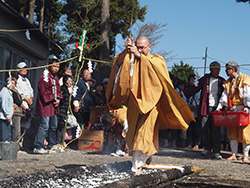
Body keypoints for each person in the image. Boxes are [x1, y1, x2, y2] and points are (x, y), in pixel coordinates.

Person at [106, 36, 194, 175]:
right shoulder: (132, 58)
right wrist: (127, 50)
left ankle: (136, 167)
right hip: (135, 103)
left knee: (144, 134)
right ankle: (145, 156)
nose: (139, 50)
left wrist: (138, 55)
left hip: (152, 103)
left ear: (150, 47)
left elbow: (157, 71)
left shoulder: (157, 60)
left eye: (142, 47)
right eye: (137, 46)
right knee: (133, 134)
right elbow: (118, 63)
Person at [184, 61, 225, 159]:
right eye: (215, 69)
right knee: (204, 128)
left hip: (217, 108)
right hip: (205, 107)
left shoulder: (222, 81)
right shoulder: (204, 79)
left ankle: (216, 150)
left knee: (216, 130)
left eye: (219, 69)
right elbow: (195, 87)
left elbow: (227, 93)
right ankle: (207, 147)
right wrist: (183, 93)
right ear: (210, 69)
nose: (217, 71)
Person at [216, 61, 250, 162]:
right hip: (232, 110)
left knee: (245, 133)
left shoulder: (245, 79)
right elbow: (224, 96)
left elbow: (248, 94)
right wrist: (219, 107)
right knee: (232, 133)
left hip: (244, 109)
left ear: (233, 69)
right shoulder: (228, 82)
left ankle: (245, 156)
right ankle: (234, 154)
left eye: (227, 69)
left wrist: (248, 106)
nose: (226, 71)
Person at [33, 56, 63, 154]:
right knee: (44, 125)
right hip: (45, 106)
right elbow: (43, 92)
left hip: (54, 106)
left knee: (53, 126)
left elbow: (59, 90)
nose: (56, 68)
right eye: (54, 66)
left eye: (58, 67)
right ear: (50, 66)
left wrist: (58, 98)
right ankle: (38, 145)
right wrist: (53, 98)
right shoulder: (44, 78)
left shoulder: (56, 78)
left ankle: (51, 144)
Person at [15, 62, 34, 131]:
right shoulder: (17, 79)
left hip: (28, 105)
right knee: (19, 126)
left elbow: (31, 90)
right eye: (22, 68)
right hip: (21, 105)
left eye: (25, 68)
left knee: (26, 126)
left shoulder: (27, 80)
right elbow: (19, 93)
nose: (24, 70)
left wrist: (31, 99)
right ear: (18, 69)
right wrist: (26, 99)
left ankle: (23, 141)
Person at [185, 74, 201, 150]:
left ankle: (197, 144)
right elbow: (184, 101)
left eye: (193, 80)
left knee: (197, 129)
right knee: (190, 129)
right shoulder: (187, 91)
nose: (191, 82)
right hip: (190, 112)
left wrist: (197, 107)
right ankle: (189, 144)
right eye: (190, 80)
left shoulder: (199, 91)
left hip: (197, 112)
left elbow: (201, 101)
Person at [57, 75, 73, 144]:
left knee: (63, 126)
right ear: (65, 81)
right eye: (69, 81)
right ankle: (58, 141)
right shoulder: (62, 89)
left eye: (71, 81)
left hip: (65, 110)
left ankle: (61, 141)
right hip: (61, 110)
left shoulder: (67, 89)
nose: (70, 82)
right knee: (60, 126)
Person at [0, 76, 16, 142]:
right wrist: (8, 115)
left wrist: (12, 106)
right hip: (4, 117)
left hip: (7, 117)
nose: (13, 85)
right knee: (5, 136)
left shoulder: (8, 91)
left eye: (14, 84)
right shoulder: (4, 92)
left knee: (7, 134)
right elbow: (4, 104)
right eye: (11, 83)